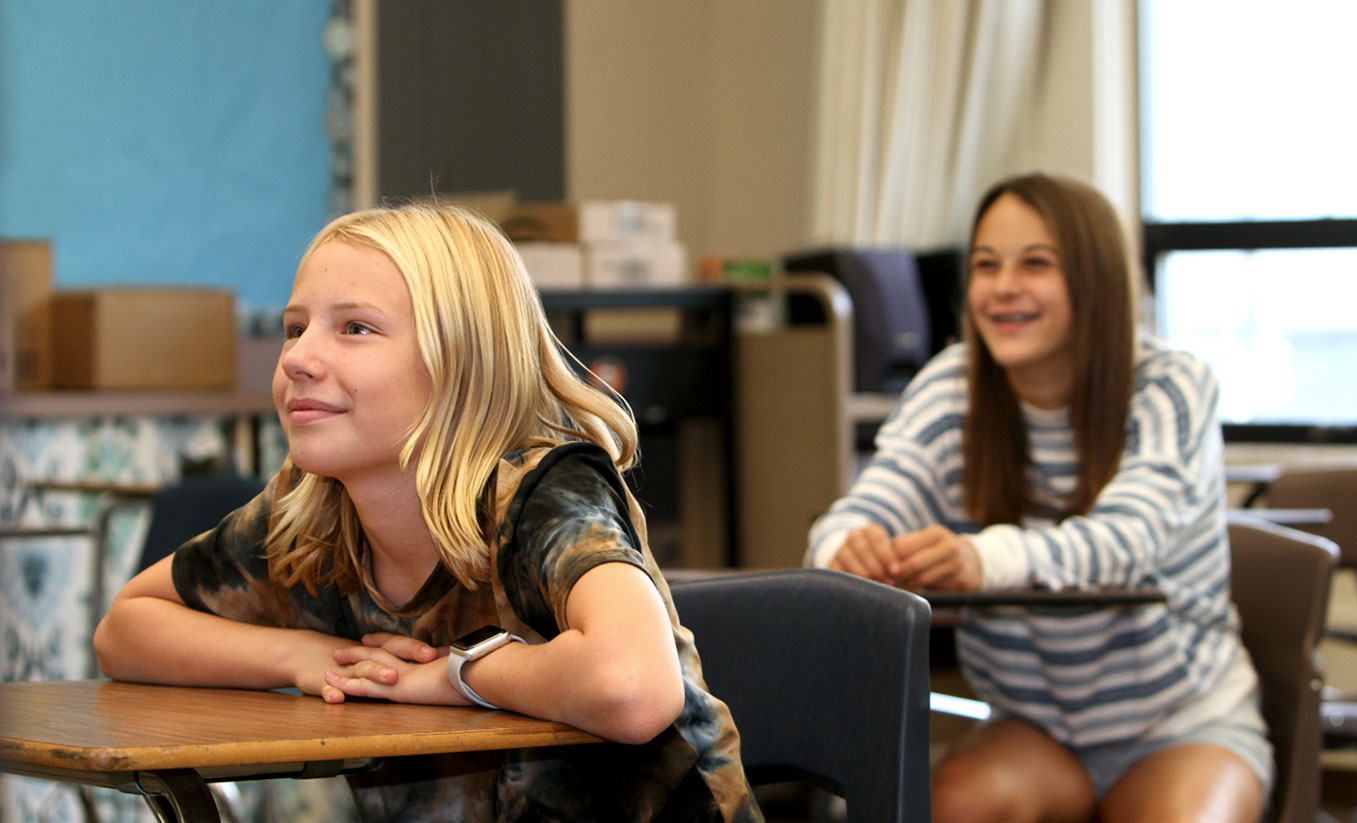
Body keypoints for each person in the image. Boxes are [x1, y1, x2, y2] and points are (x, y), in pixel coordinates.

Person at [94, 202, 764, 823]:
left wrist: (455, 675)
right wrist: (303, 655)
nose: (297, 357)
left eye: (354, 328)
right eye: (294, 328)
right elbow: (126, 629)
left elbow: (633, 687)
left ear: (460, 364)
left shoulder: (539, 492)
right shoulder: (311, 513)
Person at [806, 172, 1270, 823]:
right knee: (941, 805)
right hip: (1036, 728)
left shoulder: (1171, 386)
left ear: (1097, 279)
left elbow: (1127, 539)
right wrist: (844, 544)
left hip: (1183, 723)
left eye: (1036, 264)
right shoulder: (953, 387)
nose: (1003, 286)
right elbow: (861, 508)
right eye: (986, 265)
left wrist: (980, 559)